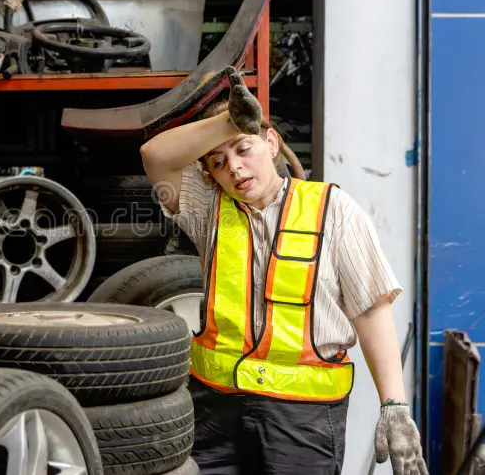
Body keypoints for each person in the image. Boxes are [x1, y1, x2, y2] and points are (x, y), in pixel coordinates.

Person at [139, 68, 428, 475]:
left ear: (271, 143)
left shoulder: (333, 210)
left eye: (243, 149)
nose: (234, 169)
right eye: (219, 162)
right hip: (214, 409)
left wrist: (394, 405)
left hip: (303, 420)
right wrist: (229, 122)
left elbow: (371, 310)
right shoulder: (208, 210)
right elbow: (154, 156)